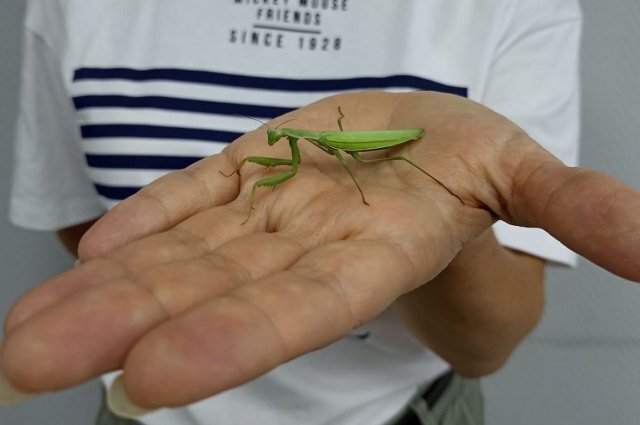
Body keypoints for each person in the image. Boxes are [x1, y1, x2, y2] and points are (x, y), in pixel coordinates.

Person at [5, 1, 639, 425]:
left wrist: (446, 220)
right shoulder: (69, 10)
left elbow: (488, 344)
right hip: (149, 396)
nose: (276, 145)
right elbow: (82, 223)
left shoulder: (518, 10)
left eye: (276, 139)